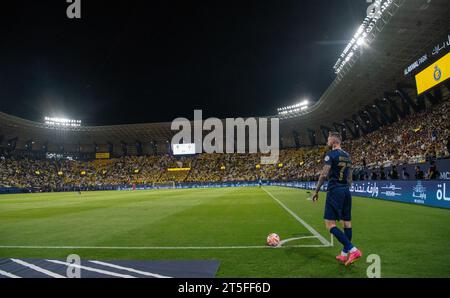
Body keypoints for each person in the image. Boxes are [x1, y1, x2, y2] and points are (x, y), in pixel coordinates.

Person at [312, 132, 362, 266]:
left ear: (334, 141)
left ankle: (353, 250)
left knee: (330, 225)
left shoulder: (331, 155)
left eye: (328, 139)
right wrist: (346, 188)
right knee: (347, 223)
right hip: (346, 191)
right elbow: (350, 177)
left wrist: (316, 191)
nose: (327, 141)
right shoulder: (347, 156)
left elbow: (324, 175)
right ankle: (344, 254)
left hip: (335, 191)